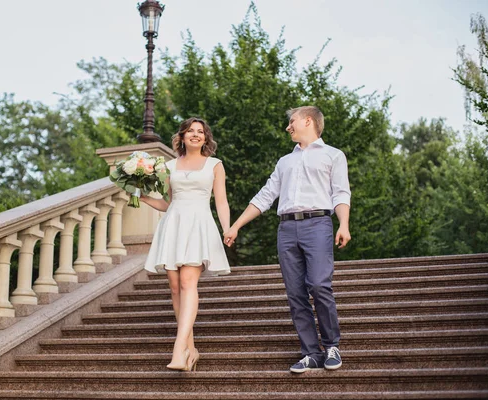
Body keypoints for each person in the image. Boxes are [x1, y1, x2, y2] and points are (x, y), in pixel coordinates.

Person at [223, 105, 351, 373]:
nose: (287, 127)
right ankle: (310, 353)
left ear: (307, 121)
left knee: (318, 284)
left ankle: (331, 346)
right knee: (295, 293)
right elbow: (265, 196)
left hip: (318, 224)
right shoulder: (285, 162)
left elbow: (341, 193)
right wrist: (235, 226)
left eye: (291, 121)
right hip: (286, 229)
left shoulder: (333, 156)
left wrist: (344, 224)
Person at [141, 117, 231, 372]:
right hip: (174, 225)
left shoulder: (215, 165)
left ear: (205, 138)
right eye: (190, 131)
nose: (195, 135)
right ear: (181, 137)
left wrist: (227, 228)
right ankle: (191, 349)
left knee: (188, 282)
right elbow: (168, 202)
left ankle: (178, 349)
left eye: (200, 132)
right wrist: (144, 197)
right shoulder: (169, 165)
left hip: (199, 224)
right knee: (174, 287)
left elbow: (221, 202)